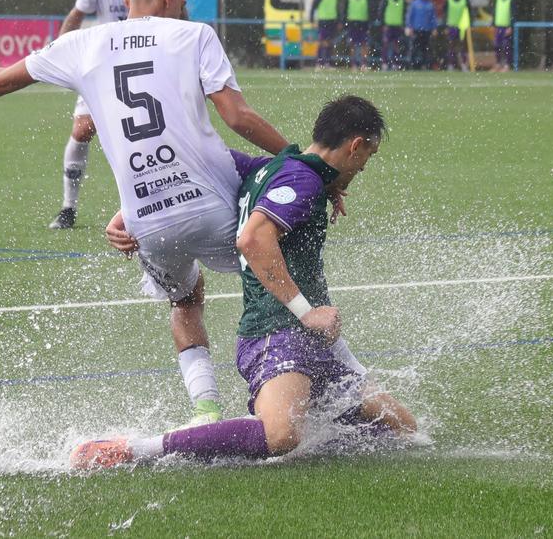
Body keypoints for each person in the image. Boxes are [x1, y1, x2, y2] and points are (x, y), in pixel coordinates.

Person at [0, 0, 290, 426]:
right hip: (215, 206)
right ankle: (311, 382)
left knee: (185, 301)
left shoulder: (82, 44)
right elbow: (237, 117)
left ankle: (205, 411)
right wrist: (299, 158)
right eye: (182, 1)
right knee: (278, 272)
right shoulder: (194, 35)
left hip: (147, 223)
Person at [69, 96, 417, 470]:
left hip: (314, 342)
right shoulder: (301, 180)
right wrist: (307, 312)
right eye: (369, 155)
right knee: (282, 434)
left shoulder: (270, 168)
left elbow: (191, 169)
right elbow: (252, 239)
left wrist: (131, 212)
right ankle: (134, 449)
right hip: (276, 333)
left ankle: (314, 413)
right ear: (356, 145)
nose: (364, 166)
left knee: (402, 431)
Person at [47, 0, 149, 230]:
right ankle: (67, 208)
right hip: (103, 65)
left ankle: (146, 206)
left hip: (146, 65)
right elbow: (77, 14)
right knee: (81, 131)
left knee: (143, 139)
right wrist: (61, 53)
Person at [310, 0, 340, 69]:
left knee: (329, 43)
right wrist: (311, 19)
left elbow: (338, 9)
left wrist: (339, 21)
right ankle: (318, 63)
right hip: (323, 21)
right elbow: (313, 7)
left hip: (332, 22)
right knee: (321, 42)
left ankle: (327, 63)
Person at [406, 0, 438, 70]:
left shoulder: (430, 5)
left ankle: (425, 65)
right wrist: (409, 27)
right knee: (414, 48)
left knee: (426, 49)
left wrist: (434, 28)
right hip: (416, 29)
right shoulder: (415, 4)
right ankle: (412, 65)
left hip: (427, 30)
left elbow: (433, 18)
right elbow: (410, 16)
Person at [379, 0, 406, 70]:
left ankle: (395, 62)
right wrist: (383, 24)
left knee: (397, 46)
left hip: (398, 26)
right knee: (386, 44)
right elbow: (381, 11)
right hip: (388, 26)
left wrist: (404, 24)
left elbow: (404, 13)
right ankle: (384, 62)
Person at [345, 0, 371, 69]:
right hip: (352, 23)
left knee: (364, 44)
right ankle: (353, 63)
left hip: (363, 23)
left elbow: (370, 8)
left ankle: (364, 63)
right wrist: (344, 21)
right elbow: (344, 9)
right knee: (352, 44)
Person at [444, 0, 469, 71]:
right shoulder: (448, 0)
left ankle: (463, 64)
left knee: (462, 47)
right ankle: (451, 64)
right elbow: (445, 14)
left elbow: (469, 12)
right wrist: (445, 26)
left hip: (462, 27)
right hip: (451, 26)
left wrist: (469, 24)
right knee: (451, 46)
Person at [493, 0, 514, 72]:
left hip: (506, 27)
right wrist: (493, 24)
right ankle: (498, 64)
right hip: (498, 27)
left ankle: (507, 65)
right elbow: (495, 12)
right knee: (497, 46)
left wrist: (511, 26)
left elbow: (513, 14)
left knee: (506, 46)